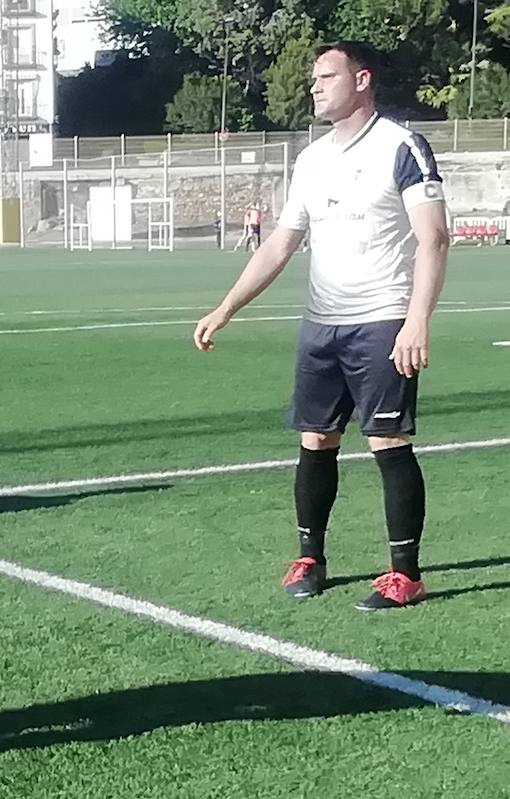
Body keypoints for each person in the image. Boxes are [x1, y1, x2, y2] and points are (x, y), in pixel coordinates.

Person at [192, 41, 450, 611]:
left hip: (382, 319)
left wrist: (417, 321)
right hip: (321, 324)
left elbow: (433, 238)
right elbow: (281, 243)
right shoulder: (310, 159)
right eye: (314, 78)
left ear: (362, 80)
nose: (315, 85)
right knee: (316, 440)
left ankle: (404, 573)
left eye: (326, 76)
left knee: (387, 439)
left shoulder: (400, 145)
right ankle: (310, 558)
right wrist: (225, 307)